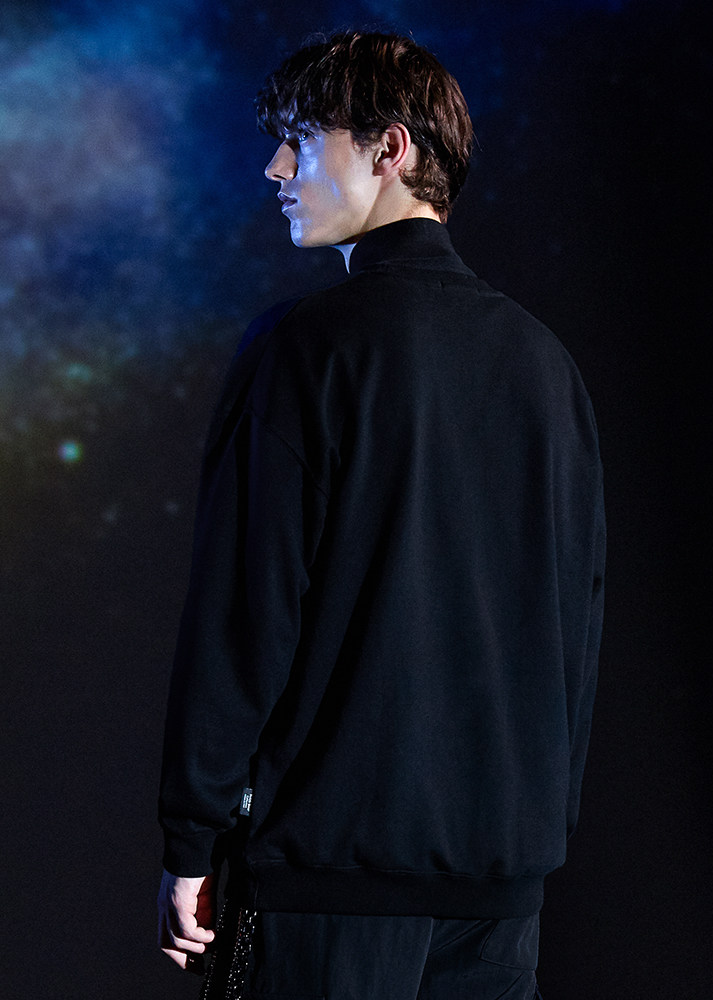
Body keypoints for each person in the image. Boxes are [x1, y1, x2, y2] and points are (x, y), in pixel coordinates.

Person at [157, 30, 605, 1000]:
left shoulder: (304, 350)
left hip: (328, 889)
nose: (276, 168)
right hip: (502, 895)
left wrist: (190, 837)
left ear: (390, 149)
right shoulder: (548, 368)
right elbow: (578, 629)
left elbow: (245, 616)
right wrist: (535, 831)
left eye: (300, 138)